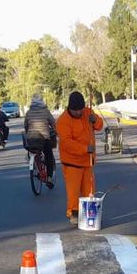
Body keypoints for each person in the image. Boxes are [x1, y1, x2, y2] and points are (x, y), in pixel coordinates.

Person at [56, 91, 104, 224]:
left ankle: (89, 212)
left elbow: (99, 126)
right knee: (73, 191)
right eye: (76, 110)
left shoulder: (88, 112)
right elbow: (66, 143)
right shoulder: (63, 121)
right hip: (72, 163)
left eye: (80, 109)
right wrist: (84, 149)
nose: (79, 112)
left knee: (89, 190)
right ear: (70, 108)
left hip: (88, 161)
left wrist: (95, 121)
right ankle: (73, 213)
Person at [24, 94, 57, 186]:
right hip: (44, 139)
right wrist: (56, 132)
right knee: (49, 156)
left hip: (31, 138)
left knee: (32, 152)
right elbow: (53, 123)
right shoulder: (46, 111)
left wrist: (28, 133)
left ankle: (35, 165)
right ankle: (49, 178)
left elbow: (26, 125)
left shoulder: (28, 112)